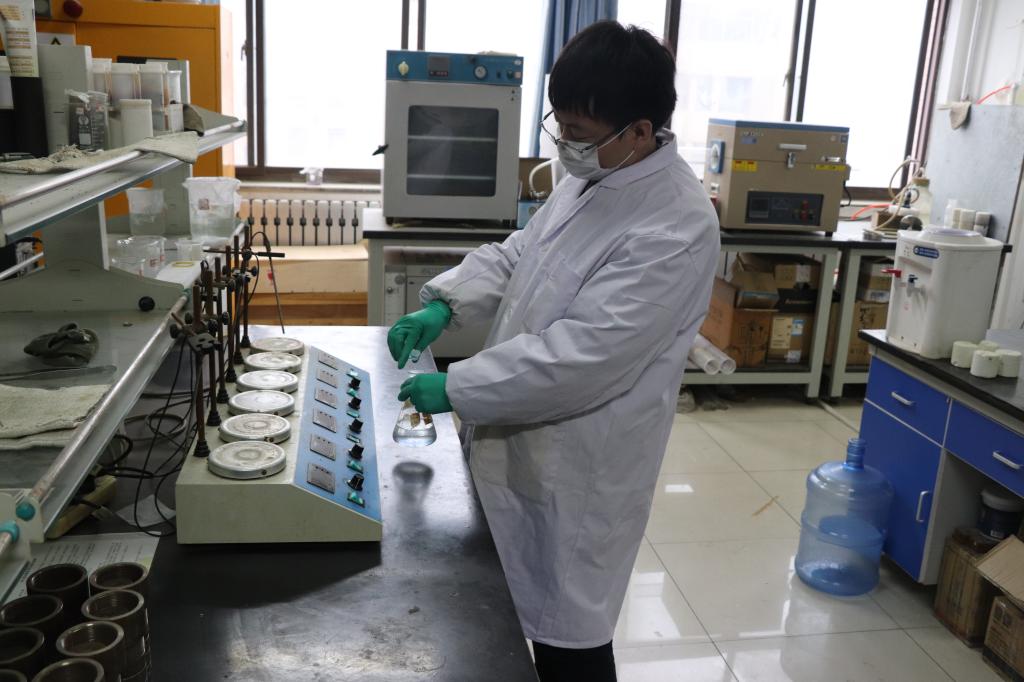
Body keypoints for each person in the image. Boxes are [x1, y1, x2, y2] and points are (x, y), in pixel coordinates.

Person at [387, 21, 719, 682]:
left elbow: (582, 358)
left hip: (580, 465)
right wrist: (446, 303)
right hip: (522, 438)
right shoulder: (595, 175)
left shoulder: (675, 225)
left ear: (641, 131)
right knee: (505, 612)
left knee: (569, 635)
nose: (565, 144)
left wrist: (457, 387)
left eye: (579, 132)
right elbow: (521, 254)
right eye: (560, 125)